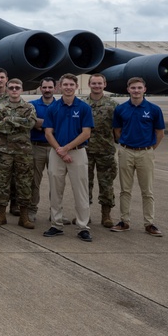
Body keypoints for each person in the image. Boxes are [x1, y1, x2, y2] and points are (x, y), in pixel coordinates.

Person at [43, 73, 94, 242]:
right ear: (60, 87)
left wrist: (66, 148)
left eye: (71, 85)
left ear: (76, 87)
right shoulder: (53, 108)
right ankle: (56, 224)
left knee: (81, 191)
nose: (68, 87)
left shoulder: (84, 107)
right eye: (65, 84)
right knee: (55, 190)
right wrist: (59, 150)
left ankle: (83, 227)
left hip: (77, 152)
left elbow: (86, 132)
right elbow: (48, 132)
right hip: (56, 152)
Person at [112, 77, 166, 236]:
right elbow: (117, 131)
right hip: (126, 151)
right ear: (128, 90)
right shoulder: (121, 109)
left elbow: (160, 133)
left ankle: (149, 223)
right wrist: (126, 145)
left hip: (145, 152)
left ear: (144, 89)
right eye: (133, 88)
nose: (136, 91)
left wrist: (149, 149)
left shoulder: (154, 109)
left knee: (147, 190)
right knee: (125, 189)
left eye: (139, 88)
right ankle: (124, 221)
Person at [0, 79, 38, 229]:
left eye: (17, 87)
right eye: (11, 88)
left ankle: (24, 216)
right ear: (8, 90)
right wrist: (19, 122)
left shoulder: (29, 107)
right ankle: (1, 214)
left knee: (24, 183)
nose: (14, 90)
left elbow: (30, 124)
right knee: (3, 183)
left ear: (21, 89)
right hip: (4, 152)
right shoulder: (1, 106)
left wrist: (9, 119)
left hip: (23, 153)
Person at [85, 73, 118, 228]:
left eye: (99, 83)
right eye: (94, 83)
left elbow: (119, 128)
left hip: (106, 150)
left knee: (106, 184)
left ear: (104, 85)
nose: (97, 86)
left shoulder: (113, 104)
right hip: (86, 151)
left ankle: (106, 215)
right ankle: (85, 214)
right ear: (89, 85)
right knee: (85, 184)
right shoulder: (83, 104)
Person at [28, 77, 57, 222]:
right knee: (34, 181)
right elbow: (31, 121)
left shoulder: (60, 106)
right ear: (40, 88)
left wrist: (41, 124)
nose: (47, 90)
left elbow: (61, 124)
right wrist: (51, 125)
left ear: (55, 89)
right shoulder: (32, 105)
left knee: (56, 182)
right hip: (36, 147)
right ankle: (32, 209)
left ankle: (55, 213)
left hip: (55, 149)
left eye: (50, 87)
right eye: (44, 87)